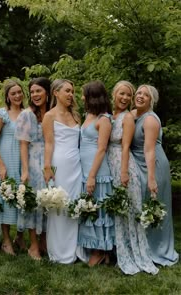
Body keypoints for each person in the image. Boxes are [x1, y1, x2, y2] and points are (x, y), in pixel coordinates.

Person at [108, 81, 159, 275]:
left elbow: (125, 146)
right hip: (110, 165)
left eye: (128, 96)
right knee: (117, 210)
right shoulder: (109, 114)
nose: (125, 98)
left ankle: (131, 253)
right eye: (122, 94)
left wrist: (123, 172)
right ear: (114, 94)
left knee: (128, 212)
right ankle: (115, 249)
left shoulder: (128, 117)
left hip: (124, 165)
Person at [131, 84, 179, 266]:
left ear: (152, 100)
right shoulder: (134, 114)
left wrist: (151, 179)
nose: (141, 96)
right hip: (138, 165)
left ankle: (157, 249)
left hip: (153, 165)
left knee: (153, 206)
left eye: (146, 95)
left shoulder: (150, 119)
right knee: (141, 206)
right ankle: (141, 246)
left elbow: (149, 150)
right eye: (139, 93)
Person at [42, 79, 82, 264]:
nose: (70, 94)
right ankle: (58, 251)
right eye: (67, 90)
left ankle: (75, 248)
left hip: (76, 165)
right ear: (56, 93)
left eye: (72, 91)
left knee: (75, 203)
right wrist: (47, 167)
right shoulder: (49, 116)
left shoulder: (76, 115)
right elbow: (49, 143)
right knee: (59, 204)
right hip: (60, 164)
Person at [77, 81, 114, 267]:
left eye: (84, 94)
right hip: (84, 169)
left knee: (99, 211)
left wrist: (92, 176)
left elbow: (101, 149)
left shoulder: (104, 119)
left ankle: (101, 250)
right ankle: (95, 248)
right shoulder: (88, 115)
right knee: (90, 210)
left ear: (92, 96)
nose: (81, 97)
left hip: (97, 170)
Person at [0, 80, 25, 256]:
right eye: (13, 93)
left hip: (22, 158)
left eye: (19, 92)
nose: (17, 96)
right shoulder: (2, 113)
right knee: (6, 197)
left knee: (23, 196)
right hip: (6, 158)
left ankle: (20, 236)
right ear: (7, 97)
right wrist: (0, 164)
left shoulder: (27, 113)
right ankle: (6, 240)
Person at [15, 77, 51, 260]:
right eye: (33, 92)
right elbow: (23, 145)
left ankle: (44, 241)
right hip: (33, 162)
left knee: (48, 202)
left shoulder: (53, 113)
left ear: (47, 92)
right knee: (33, 203)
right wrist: (25, 170)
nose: (35, 95)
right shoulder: (27, 115)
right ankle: (33, 245)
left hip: (51, 162)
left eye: (39, 91)